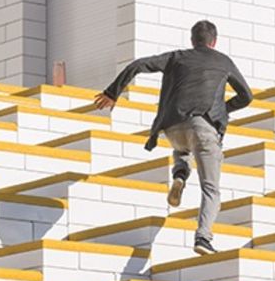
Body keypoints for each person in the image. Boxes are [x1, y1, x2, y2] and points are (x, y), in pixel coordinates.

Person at [94, 20, 252, 256]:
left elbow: (138, 64)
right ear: (214, 42)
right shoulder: (223, 61)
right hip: (203, 127)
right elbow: (246, 96)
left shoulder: (177, 56)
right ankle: (203, 237)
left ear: (192, 40)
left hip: (172, 127)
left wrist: (112, 92)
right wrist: (221, 110)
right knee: (211, 188)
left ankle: (180, 174)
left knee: (184, 147)